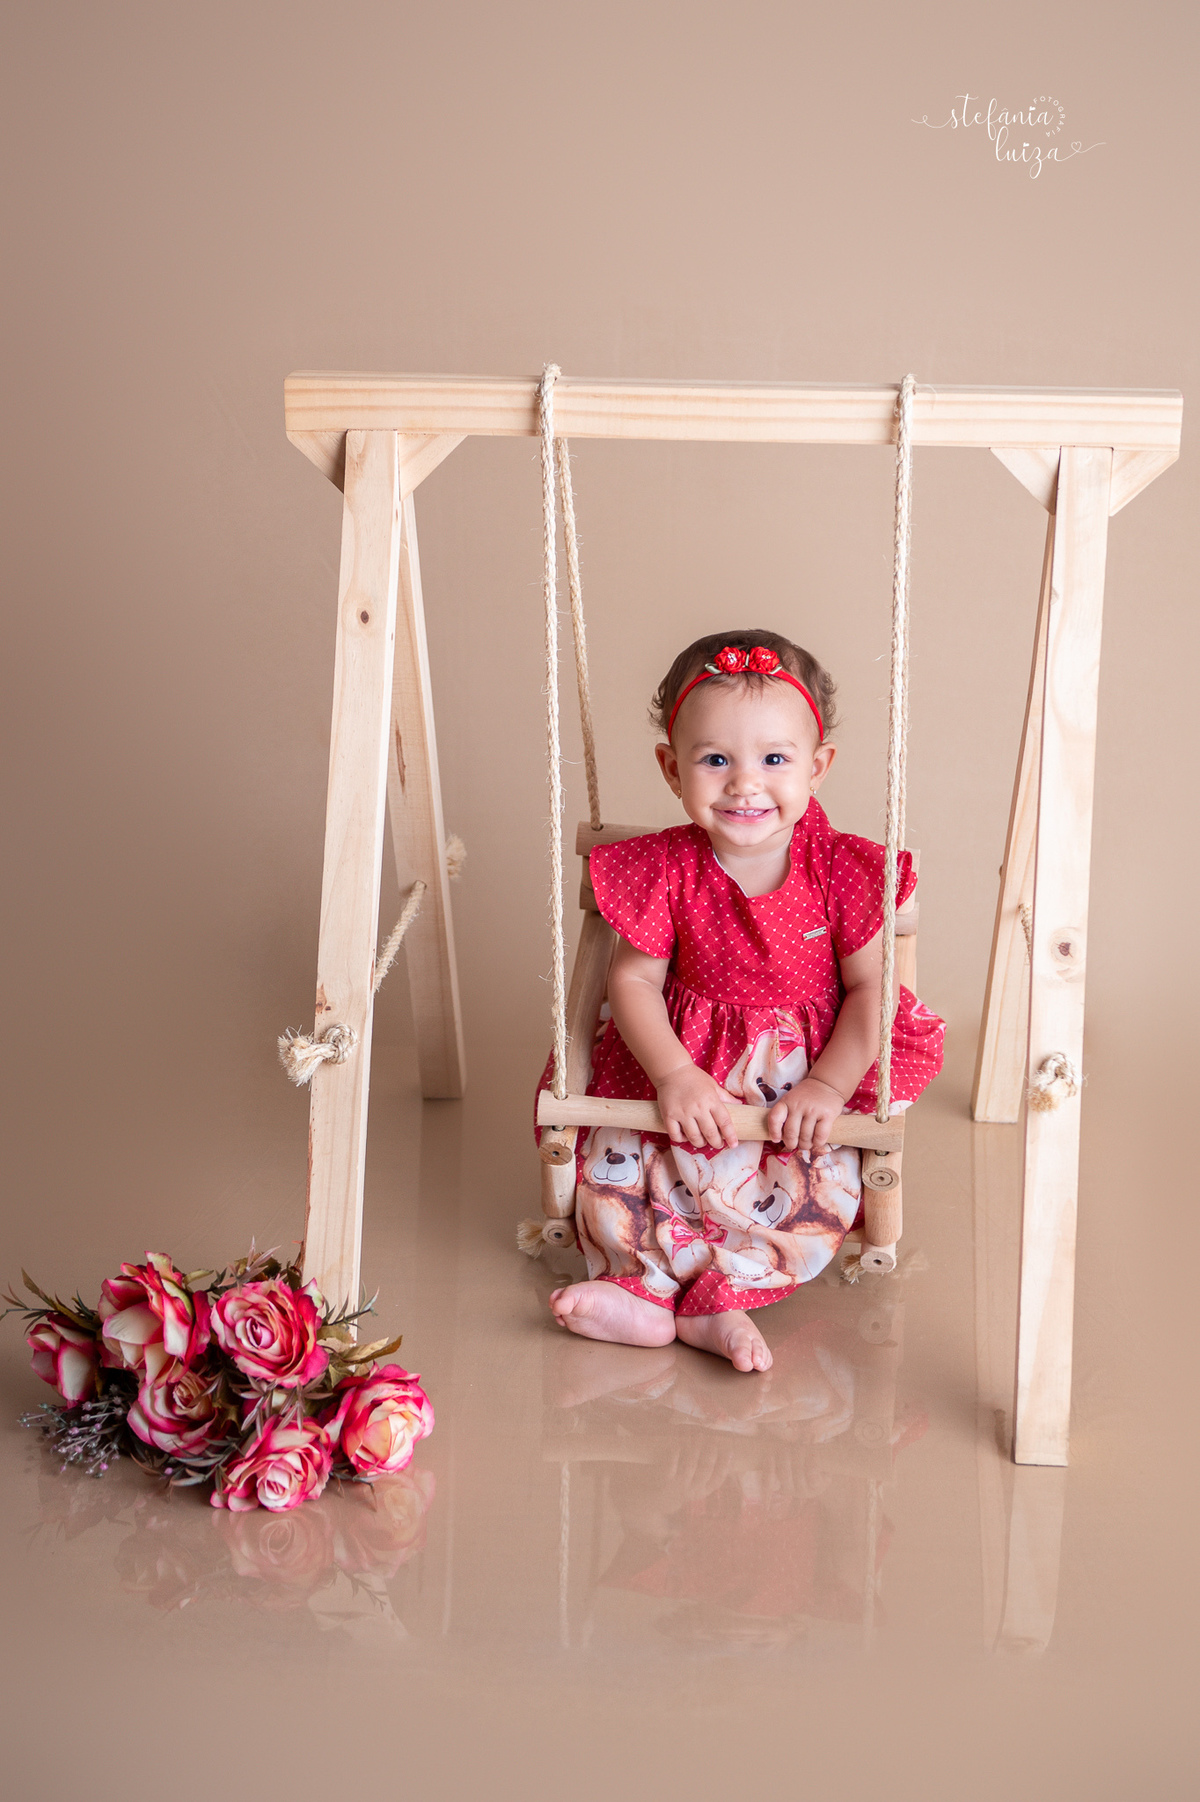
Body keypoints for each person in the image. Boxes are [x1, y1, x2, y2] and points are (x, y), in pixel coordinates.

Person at [537, 629, 944, 1374]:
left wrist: (828, 1086)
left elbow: (870, 991)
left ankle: (719, 1298)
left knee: (808, 1186)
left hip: (799, 1071)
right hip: (682, 1055)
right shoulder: (666, 867)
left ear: (818, 766)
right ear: (673, 769)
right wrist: (673, 1075)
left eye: (775, 760)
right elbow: (633, 983)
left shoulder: (840, 869)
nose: (744, 785)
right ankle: (640, 1287)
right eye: (716, 760)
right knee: (631, 1166)